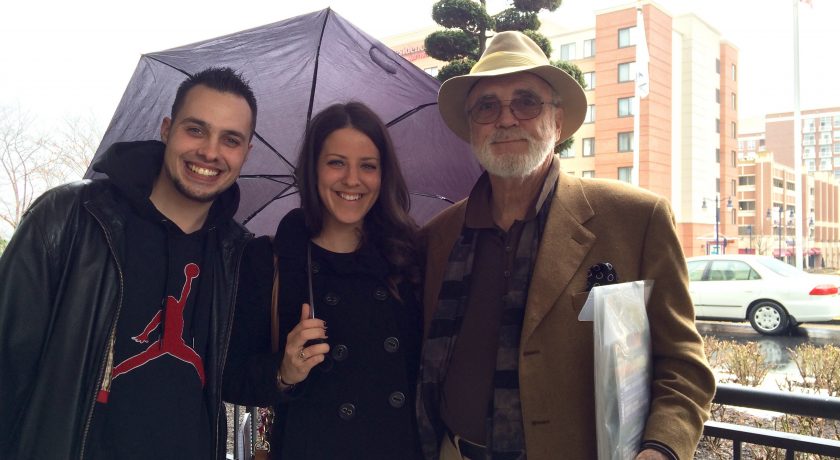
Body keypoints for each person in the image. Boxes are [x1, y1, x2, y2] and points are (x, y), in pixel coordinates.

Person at [416, 31, 716, 460]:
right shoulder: (437, 236)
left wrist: (662, 448)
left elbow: (683, 366)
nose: (505, 119)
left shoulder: (635, 220)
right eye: (487, 106)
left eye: (526, 101)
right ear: (470, 129)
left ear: (557, 123)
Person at [0, 67, 257, 459]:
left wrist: (283, 372)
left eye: (230, 139)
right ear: (167, 129)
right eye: (196, 129)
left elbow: (231, 378)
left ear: (246, 152)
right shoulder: (71, 219)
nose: (210, 152)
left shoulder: (236, 256)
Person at [223, 102, 423, 459]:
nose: (352, 179)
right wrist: (282, 372)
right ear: (313, 170)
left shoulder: (408, 257)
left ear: (383, 174)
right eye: (336, 163)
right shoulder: (271, 261)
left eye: (368, 166)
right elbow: (232, 377)